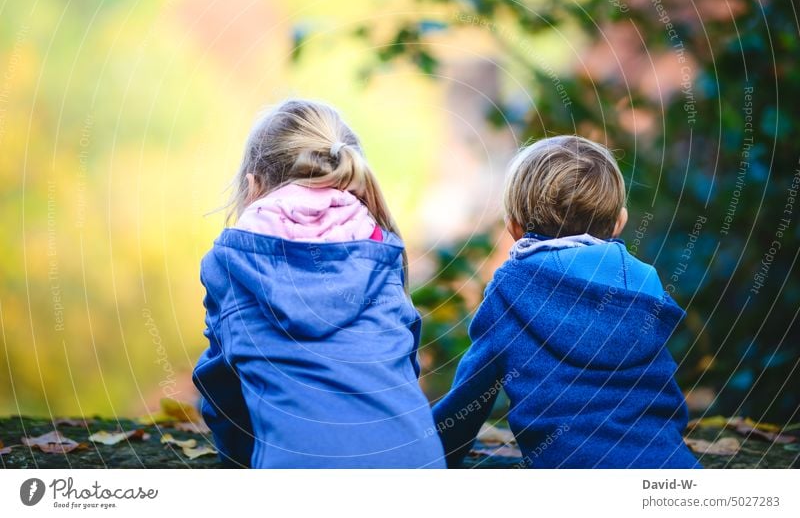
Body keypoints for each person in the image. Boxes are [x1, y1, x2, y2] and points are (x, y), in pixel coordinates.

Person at [192, 98, 445, 468]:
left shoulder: (232, 262)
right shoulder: (379, 251)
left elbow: (223, 396)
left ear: (253, 186)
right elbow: (400, 372)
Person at [432, 135, 701, 469]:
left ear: (514, 227)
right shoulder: (644, 283)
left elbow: (472, 395)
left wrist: (429, 457)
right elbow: (659, 388)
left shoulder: (512, 288)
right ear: (620, 221)